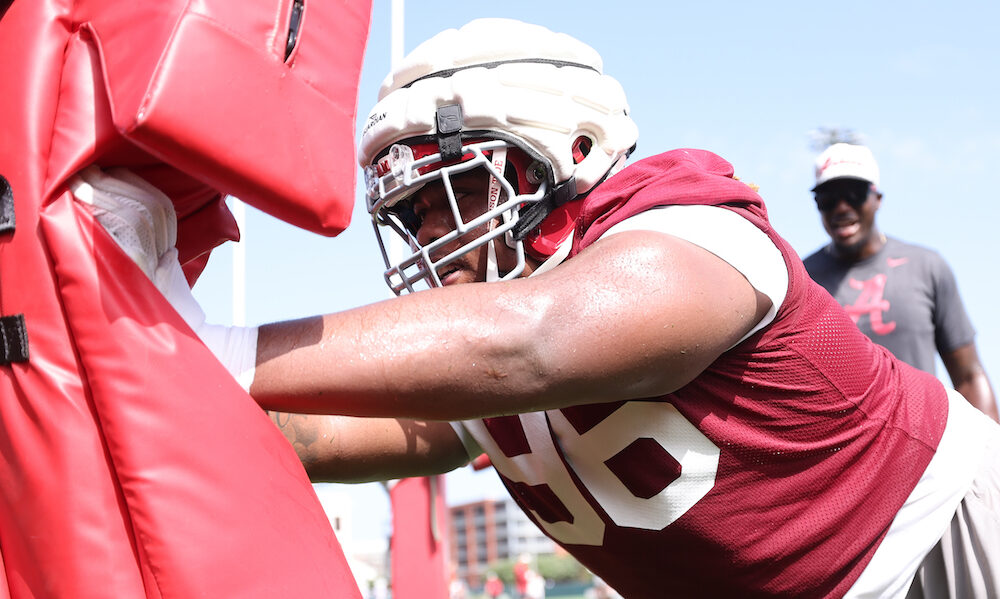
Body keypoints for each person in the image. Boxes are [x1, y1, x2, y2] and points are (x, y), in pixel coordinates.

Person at [84, 18, 1000, 599]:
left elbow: (534, 342)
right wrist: (127, 384)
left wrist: (199, 344)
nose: (431, 228)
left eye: (452, 190)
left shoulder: (692, 233)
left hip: (942, 545)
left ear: (563, 151)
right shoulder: (480, 336)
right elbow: (321, 432)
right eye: (411, 211)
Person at [803, 143, 998, 422]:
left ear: (877, 198)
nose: (842, 208)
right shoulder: (803, 280)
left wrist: (991, 454)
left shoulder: (926, 266)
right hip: (840, 454)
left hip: (922, 446)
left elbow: (969, 375)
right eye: (827, 198)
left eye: (853, 194)